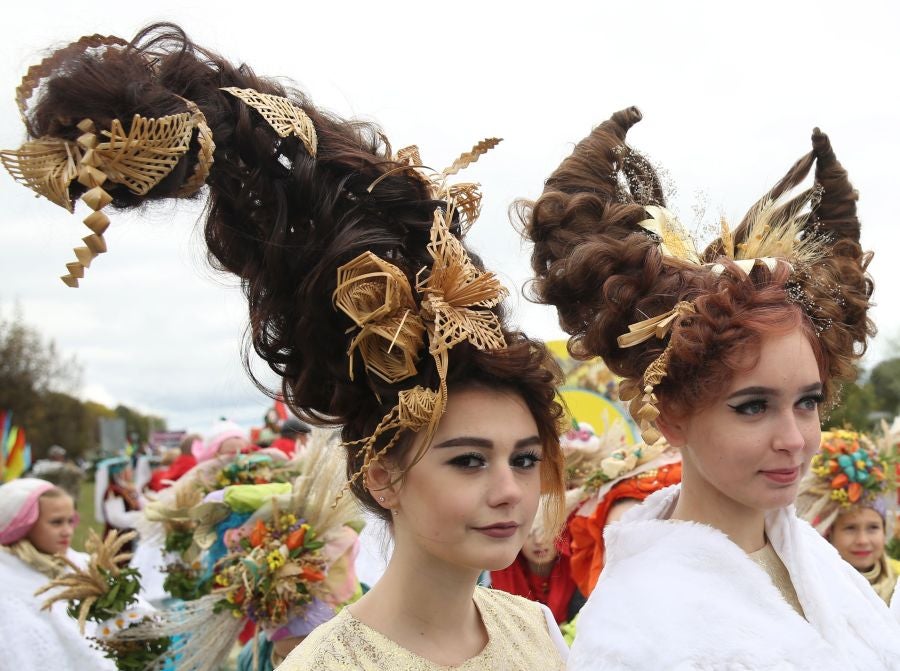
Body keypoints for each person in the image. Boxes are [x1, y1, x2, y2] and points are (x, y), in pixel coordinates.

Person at [3, 24, 568, 669]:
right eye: (469, 461)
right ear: (382, 478)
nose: (511, 492)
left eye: (525, 460)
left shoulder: (536, 629)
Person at [520, 107, 900, 668]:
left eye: (808, 401)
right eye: (753, 407)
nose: (794, 439)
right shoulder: (638, 631)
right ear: (670, 414)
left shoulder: (813, 560)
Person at [0, 478, 116, 670]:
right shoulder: (7, 577)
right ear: (23, 525)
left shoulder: (83, 565)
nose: (67, 531)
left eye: (71, 521)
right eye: (56, 522)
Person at [797, 429, 900, 604]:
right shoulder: (813, 590)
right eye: (850, 528)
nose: (862, 540)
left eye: (873, 528)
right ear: (830, 534)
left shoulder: (897, 580)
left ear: (885, 531)